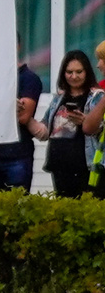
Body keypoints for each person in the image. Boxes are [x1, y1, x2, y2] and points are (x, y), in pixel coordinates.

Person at [41, 52, 100, 198]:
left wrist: (86, 122)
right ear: (63, 73)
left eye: (79, 72)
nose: (74, 76)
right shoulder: (58, 98)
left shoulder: (96, 97)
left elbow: (101, 130)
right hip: (59, 163)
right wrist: (25, 117)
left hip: (84, 164)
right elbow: (44, 128)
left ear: (87, 72)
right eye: (69, 72)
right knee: (64, 210)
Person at [0, 59, 44, 191]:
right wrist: (9, 106)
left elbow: (24, 117)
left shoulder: (28, 78)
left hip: (17, 154)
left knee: (18, 204)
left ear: (17, 46)